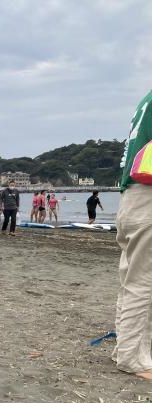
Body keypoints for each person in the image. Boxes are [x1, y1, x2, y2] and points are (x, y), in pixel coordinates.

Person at [114, 88, 152, 381]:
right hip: (148, 197)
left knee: (131, 280)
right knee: (144, 282)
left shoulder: (146, 99)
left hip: (131, 197)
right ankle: (133, 359)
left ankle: (126, 349)